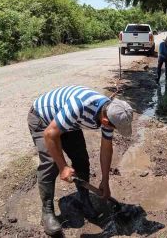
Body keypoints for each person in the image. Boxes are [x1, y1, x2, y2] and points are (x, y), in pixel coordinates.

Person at [27, 85, 133, 236]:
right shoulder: (80, 106)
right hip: (42, 119)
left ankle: (84, 198)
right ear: (104, 120)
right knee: (51, 163)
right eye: (114, 128)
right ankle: (47, 211)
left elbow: (106, 149)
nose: (114, 130)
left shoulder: (109, 112)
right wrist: (63, 167)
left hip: (67, 123)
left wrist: (105, 180)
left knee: (81, 159)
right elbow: (50, 134)